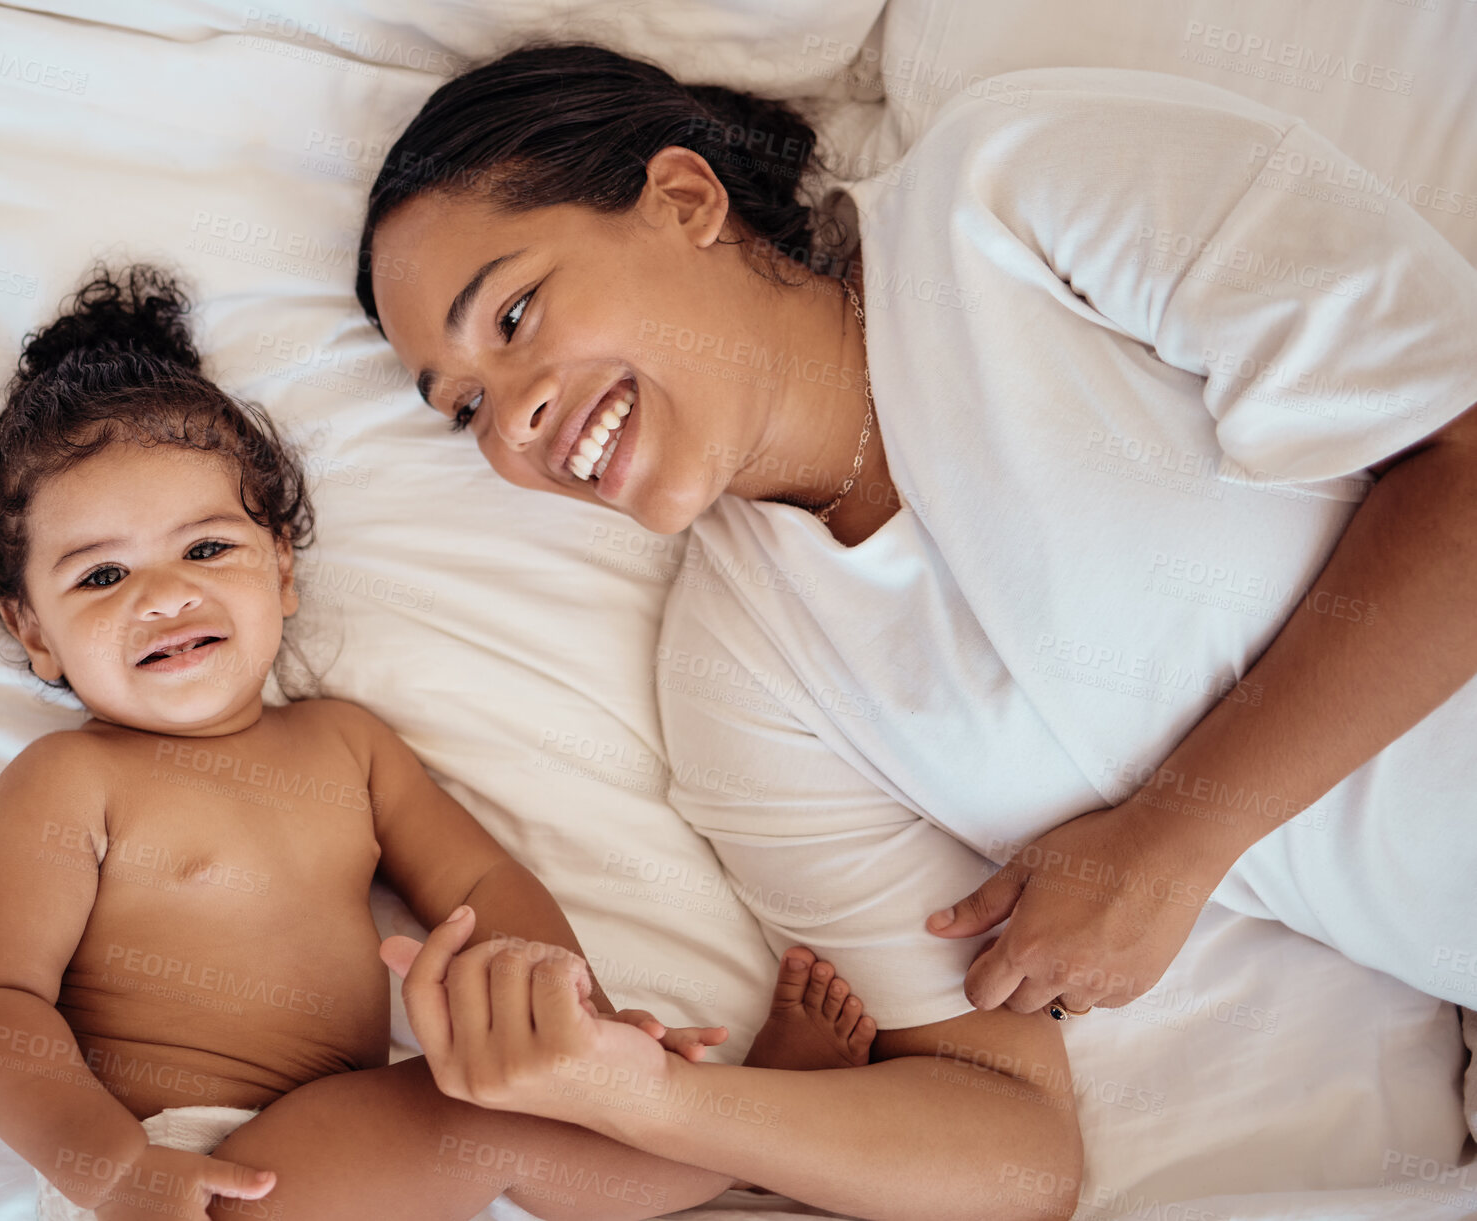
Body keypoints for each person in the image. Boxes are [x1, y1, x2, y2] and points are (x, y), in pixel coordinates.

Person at [357, 35, 1477, 1174]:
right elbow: (1010, 1144)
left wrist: (1174, 842)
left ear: (683, 197)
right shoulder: (740, 687)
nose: (512, 425)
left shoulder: (1010, 192)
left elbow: (1464, 453)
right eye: (462, 411)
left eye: (511, 318)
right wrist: (641, 1100)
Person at [0, 263, 901, 1221]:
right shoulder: (66, 782)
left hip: (337, 1152)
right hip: (179, 1162)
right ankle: (736, 1140)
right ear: (33, 633)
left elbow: (482, 888)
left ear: (280, 573)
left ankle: (712, 1123)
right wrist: (106, 1168)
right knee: (484, 1117)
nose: (163, 593)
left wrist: (576, 1017)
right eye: (100, 577)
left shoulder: (345, 746)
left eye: (206, 548)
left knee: (518, 1106)